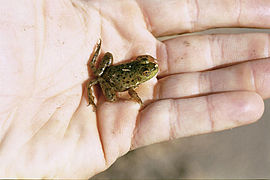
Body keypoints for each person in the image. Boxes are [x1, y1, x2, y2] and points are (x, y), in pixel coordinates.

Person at [0, 0, 269, 178]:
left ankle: (97, 75)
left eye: (149, 65)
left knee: (101, 71)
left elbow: (125, 67)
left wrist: (102, 61)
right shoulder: (136, 82)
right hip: (110, 79)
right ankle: (97, 95)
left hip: (111, 68)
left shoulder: (138, 69)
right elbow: (127, 90)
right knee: (105, 87)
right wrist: (125, 98)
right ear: (142, 73)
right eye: (148, 67)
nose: (151, 67)